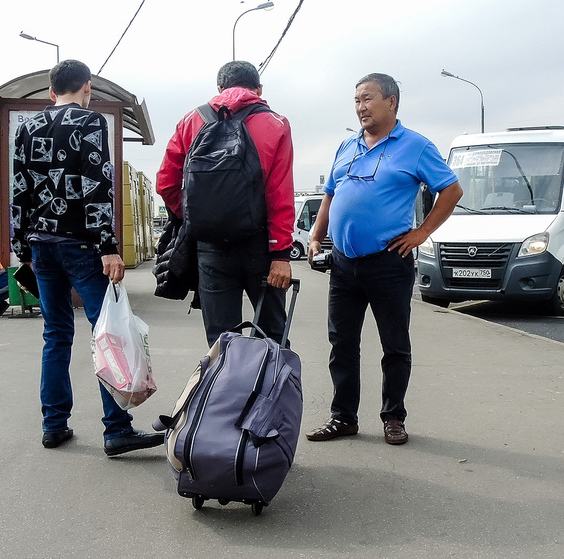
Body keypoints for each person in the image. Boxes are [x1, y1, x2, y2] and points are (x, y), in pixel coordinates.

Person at [11, 59, 163, 456]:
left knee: (56, 335)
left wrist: (23, 250)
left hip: (41, 246)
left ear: (50, 91)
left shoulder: (26, 128)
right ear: (88, 88)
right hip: (80, 245)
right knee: (105, 332)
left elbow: (19, 192)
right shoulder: (90, 123)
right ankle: (116, 429)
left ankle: (54, 425)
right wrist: (109, 246)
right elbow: (97, 186)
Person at [306, 73, 463, 445]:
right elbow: (329, 194)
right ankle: (343, 417)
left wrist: (421, 233)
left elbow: (452, 190)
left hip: (388, 263)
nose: (361, 107)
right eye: (357, 100)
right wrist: (315, 235)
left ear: (391, 101)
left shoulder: (416, 146)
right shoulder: (347, 145)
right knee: (341, 343)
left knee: (394, 344)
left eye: (368, 99)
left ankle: (394, 417)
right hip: (344, 264)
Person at [156, 61, 295, 346]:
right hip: (261, 247)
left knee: (221, 342)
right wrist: (281, 254)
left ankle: (226, 390)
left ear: (220, 89)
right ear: (258, 89)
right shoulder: (276, 124)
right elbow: (279, 192)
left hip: (211, 248)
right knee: (271, 338)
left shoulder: (191, 120)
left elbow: (166, 183)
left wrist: (196, 217)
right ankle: (267, 391)